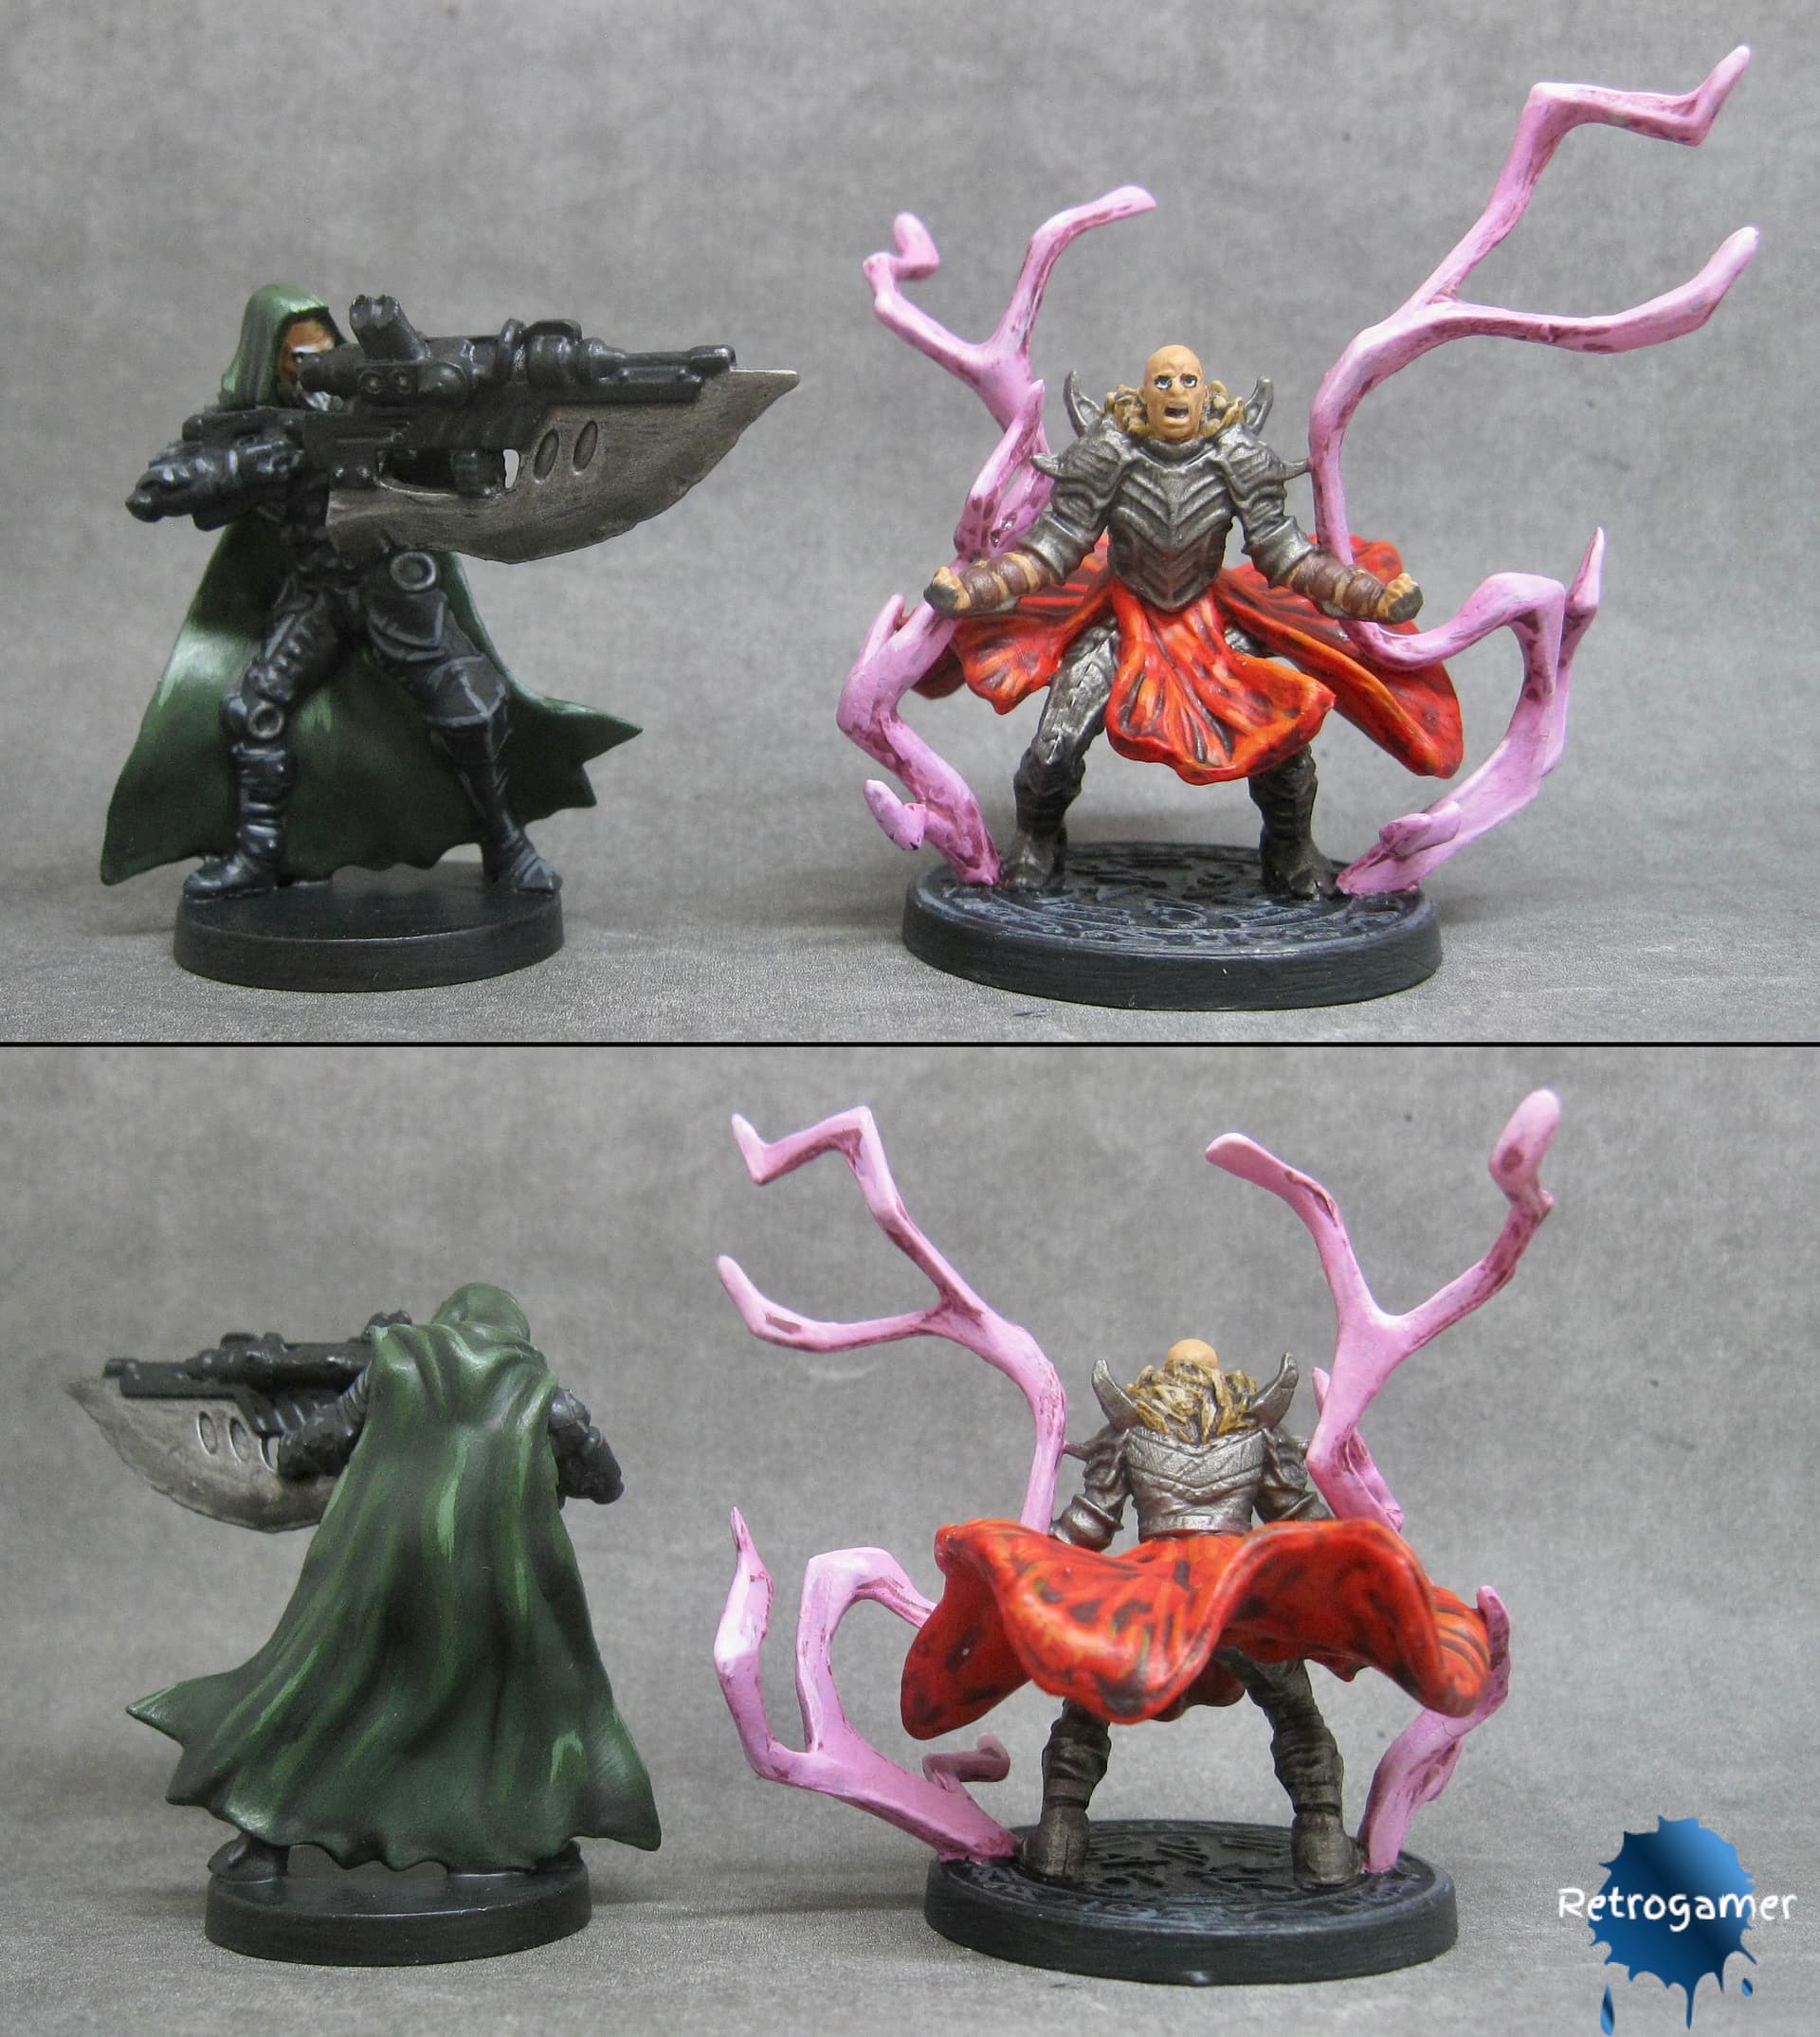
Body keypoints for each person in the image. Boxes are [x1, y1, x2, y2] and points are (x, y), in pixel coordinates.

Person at [101, 285, 634, 900]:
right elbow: (172, 481)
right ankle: (256, 855)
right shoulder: (255, 428)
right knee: (256, 708)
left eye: (321, 350)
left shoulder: (380, 405)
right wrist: (244, 469)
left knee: (470, 710)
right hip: (317, 595)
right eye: (295, 358)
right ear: (267, 361)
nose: (311, 366)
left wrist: (466, 466)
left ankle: (505, 844)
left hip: (394, 587)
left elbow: (444, 479)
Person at [900, 1339, 1489, 1888]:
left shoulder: (1131, 1435)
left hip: (1152, 1595)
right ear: (1220, 1378)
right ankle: (1324, 1844)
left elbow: (1088, 1525)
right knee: (1293, 1710)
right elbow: (1301, 1520)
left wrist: (1032, 1562)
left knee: (1090, 1702)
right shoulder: (1257, 1435)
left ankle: (1059, 1837)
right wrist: (1363, 1543)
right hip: (1246, 1594)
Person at [131, 1284, 660, 1878]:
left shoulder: (392, 1364)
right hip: (488, 1586)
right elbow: (605, 1482)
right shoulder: (545, 1397)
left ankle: (264, 1843)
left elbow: (321, 1440)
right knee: (502, 1710)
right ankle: (499, 1843)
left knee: (327, 1691)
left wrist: (292, 1458)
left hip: (377, 1569)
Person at [922, 346, 1462, 896]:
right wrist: (976, 587)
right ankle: (1037, 840)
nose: (1175, 392)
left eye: (1187, 381)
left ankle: (1290, 848)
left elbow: (1286, 553)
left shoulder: (1235, 454)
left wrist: (1370, 597)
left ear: (1205, 394)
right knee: (1056, 741)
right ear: (1143, 395)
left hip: (1209, 624)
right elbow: (1055, 546)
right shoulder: (1109, 452)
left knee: (1278, 736)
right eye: (1162, 382)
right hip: (1121, 617)